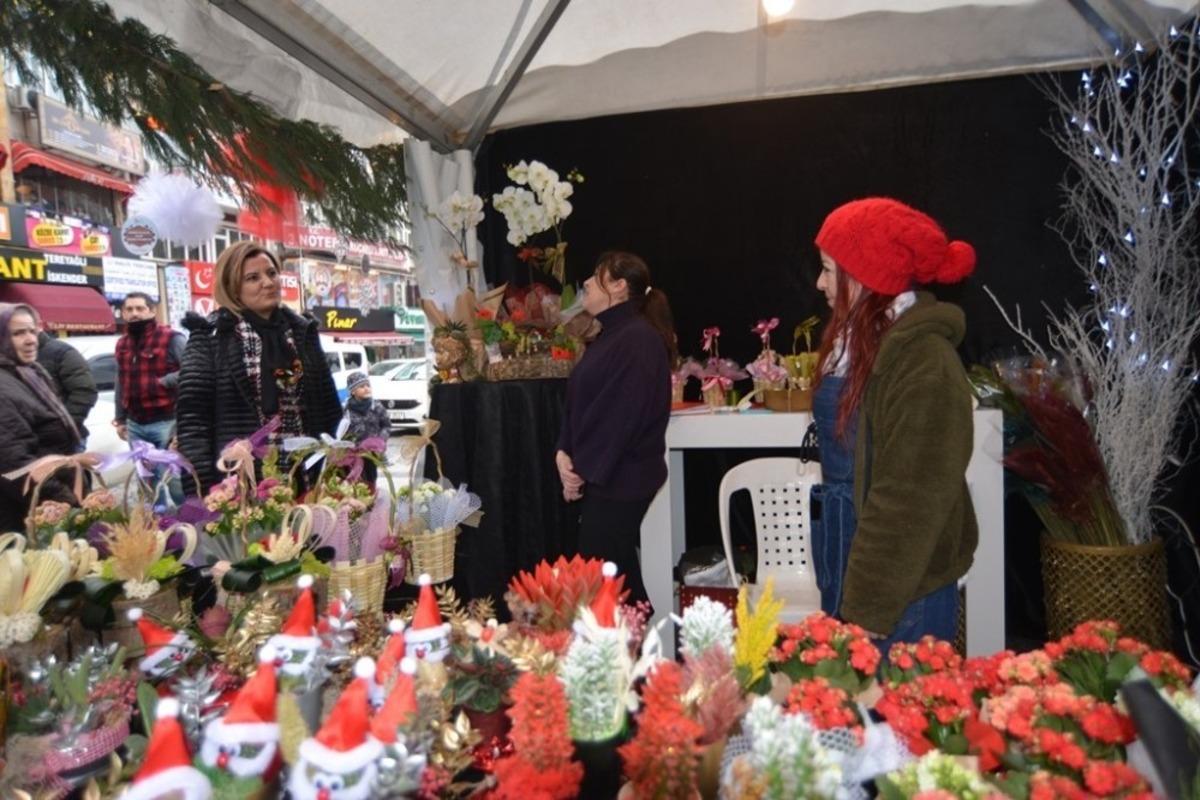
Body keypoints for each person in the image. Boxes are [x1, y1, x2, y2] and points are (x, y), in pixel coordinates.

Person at [809, 197, 977, 653]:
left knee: (895, 720)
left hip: (899, 589)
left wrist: (869, 607)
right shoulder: (860, 347)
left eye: (828, 269)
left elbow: (911, 495)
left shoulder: (924, 360)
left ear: (867, 276)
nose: (820, 282)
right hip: (849, 565)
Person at [556, 251, 675, 605]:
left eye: (597, 276)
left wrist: (580, 468)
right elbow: (579, 403)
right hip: (607, 476)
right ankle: (630, 647)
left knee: (603, 582)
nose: (587, 283)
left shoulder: (637, 339)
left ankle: (628, 649)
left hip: (620, 480)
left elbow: (621, 417)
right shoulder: (611, 335)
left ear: (619, 286)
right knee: (610, 577)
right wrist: (564, 452)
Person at [176, 240, 341, 491]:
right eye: (253, 278)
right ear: (232, 287)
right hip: (243, 482)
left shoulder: (302, 332)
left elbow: (329, 409)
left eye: (272, 273)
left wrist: (340, 468)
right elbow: (193, 425)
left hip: (306, 476)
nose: (268, 282)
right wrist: (200, 491)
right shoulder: (210, 338)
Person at [0, 303, 83, 531]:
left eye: (31, 330)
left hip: (50, 502)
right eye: (17, 333)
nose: (30, 339)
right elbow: (13, 463)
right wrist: (66, 499)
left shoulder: (30, 373)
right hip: (28, 513)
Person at [113, 292, 187, 497]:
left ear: (152, 311)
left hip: (166, 422)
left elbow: (192, 371)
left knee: (173, 480)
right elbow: (121, 381)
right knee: (146, 480)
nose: (134, 313)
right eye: (129, 309)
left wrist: (162, 382)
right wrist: (120, 418)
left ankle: (189, 524)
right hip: (135, 424)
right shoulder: (122, 344)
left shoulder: (172, 339)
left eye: (140, 308)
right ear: (123, 314)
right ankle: (157, 524)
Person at [36, 329, 98, 446]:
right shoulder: (11, 356)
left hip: (62, 441)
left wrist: (65, 427)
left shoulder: (61, 353)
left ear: (38, 326)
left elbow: (84, 391)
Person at [340, 370, 390, 484]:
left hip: (371, 453)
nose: (367, 388)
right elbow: (342, 431)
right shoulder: (346, 409)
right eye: (362, 386)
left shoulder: (376, 406)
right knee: (355, 481)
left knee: (371, 479)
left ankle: (372, 498)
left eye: (368, 385)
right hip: (353, 454)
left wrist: (379, 441)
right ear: (353, 391)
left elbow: (386, 425)